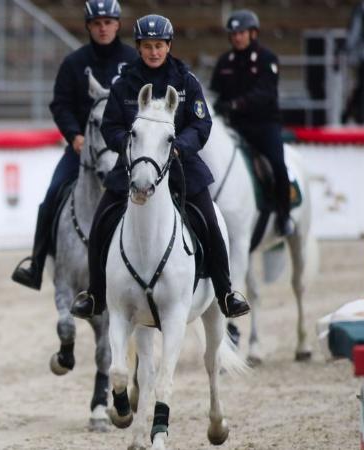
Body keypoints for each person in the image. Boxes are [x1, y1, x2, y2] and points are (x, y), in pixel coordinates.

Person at [71, 14, 250, 319]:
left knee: (210, 222)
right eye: (147, 46)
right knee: (100, 223)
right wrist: (129, 145)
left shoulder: (186, 81)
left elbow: (201, 123)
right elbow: (111, 125)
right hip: (132, 168)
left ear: (169, 46)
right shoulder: (123, 84)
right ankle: (95, 294)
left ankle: (225, 293)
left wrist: (181, 146)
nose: (154, 51)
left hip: (181, 166)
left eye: (159, 45)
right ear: (138, 47)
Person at [11, 0, 137, 290]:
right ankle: (37, 264)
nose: (103, 28)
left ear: (117, 24)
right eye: (97, 23)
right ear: (89, 27)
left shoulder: (133, 62)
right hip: (82, 150)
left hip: (126, 150)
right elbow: (60, 105)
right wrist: (74, 136)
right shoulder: (74, 63)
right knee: (52, 196)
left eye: (108, 22)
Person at [210, 9, 293, 236]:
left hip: (264, 126)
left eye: (242, 32)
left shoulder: (268, 59)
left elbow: (264, 94)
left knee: (277, 164)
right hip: (234, 127)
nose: (237, 37)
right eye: (233, 33)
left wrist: (235, 104)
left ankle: (284, 216)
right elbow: (215, 92)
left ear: (253, 33)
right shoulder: (224, 62)